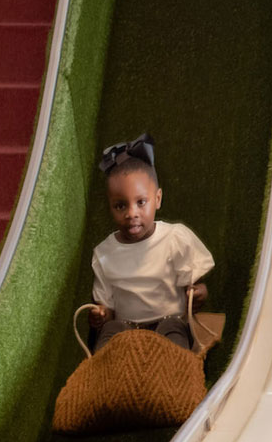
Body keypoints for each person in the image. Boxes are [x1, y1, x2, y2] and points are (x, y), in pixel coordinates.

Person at [85, 133, 214, 352]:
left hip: (169, 321)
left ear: (158, 199)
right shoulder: (105, 253)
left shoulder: (174, 239)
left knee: (174, 330)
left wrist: (200, 292)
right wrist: (101, 315)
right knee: (110, 332)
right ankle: (105, 376)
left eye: (141, 202)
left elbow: (196, 285)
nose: (131, 213)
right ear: (110, 206)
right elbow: (106, 307)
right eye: (120, 206)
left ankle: (173, 372)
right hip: (127, 328)